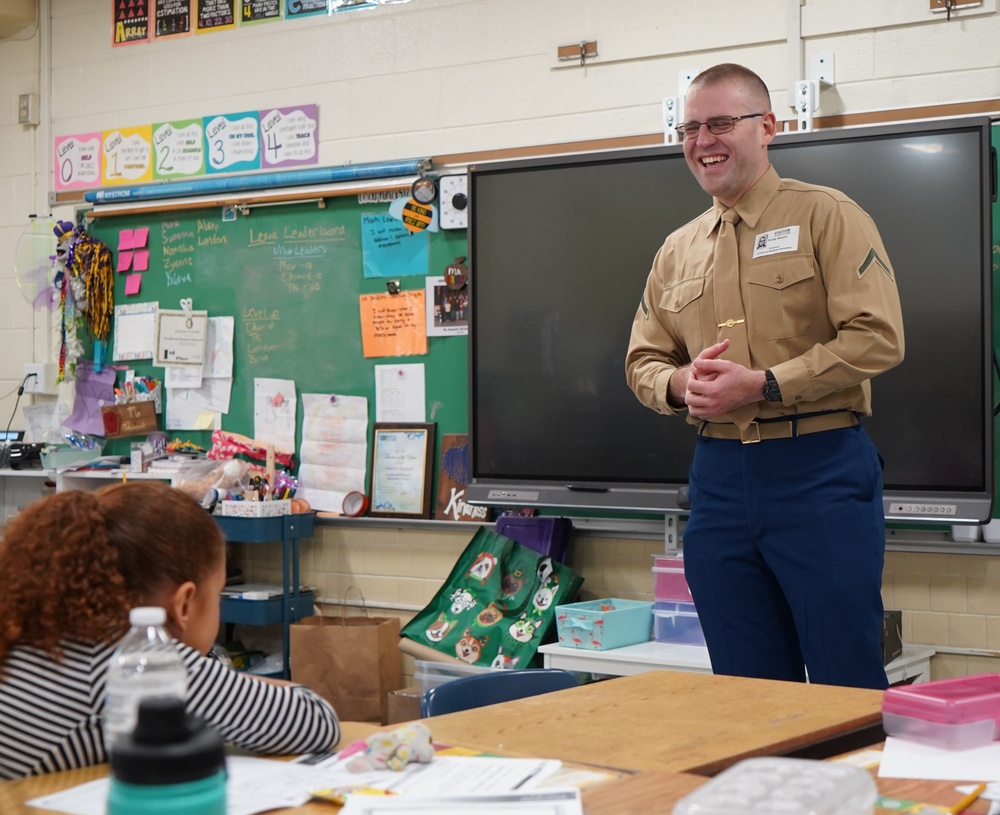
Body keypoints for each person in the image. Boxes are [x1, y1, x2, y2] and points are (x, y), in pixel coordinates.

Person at [625, 63, 904, 690]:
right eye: (690, 127)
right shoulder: (677, 249)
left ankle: (853, 793)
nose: (703, 140)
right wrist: (679, 385)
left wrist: (764, 384)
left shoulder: (827, 215)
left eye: (721, 122)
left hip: (820, 467)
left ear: (768, 127)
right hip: (719, 481)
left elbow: (878, 337)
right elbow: (643, 359)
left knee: (844, 681)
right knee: (744, 688)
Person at [0, 481, 341, 779]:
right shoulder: (133, 659)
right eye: (217, 592)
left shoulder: (36, 626)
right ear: (184, 605)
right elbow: (314, 722)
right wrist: (228, 680)